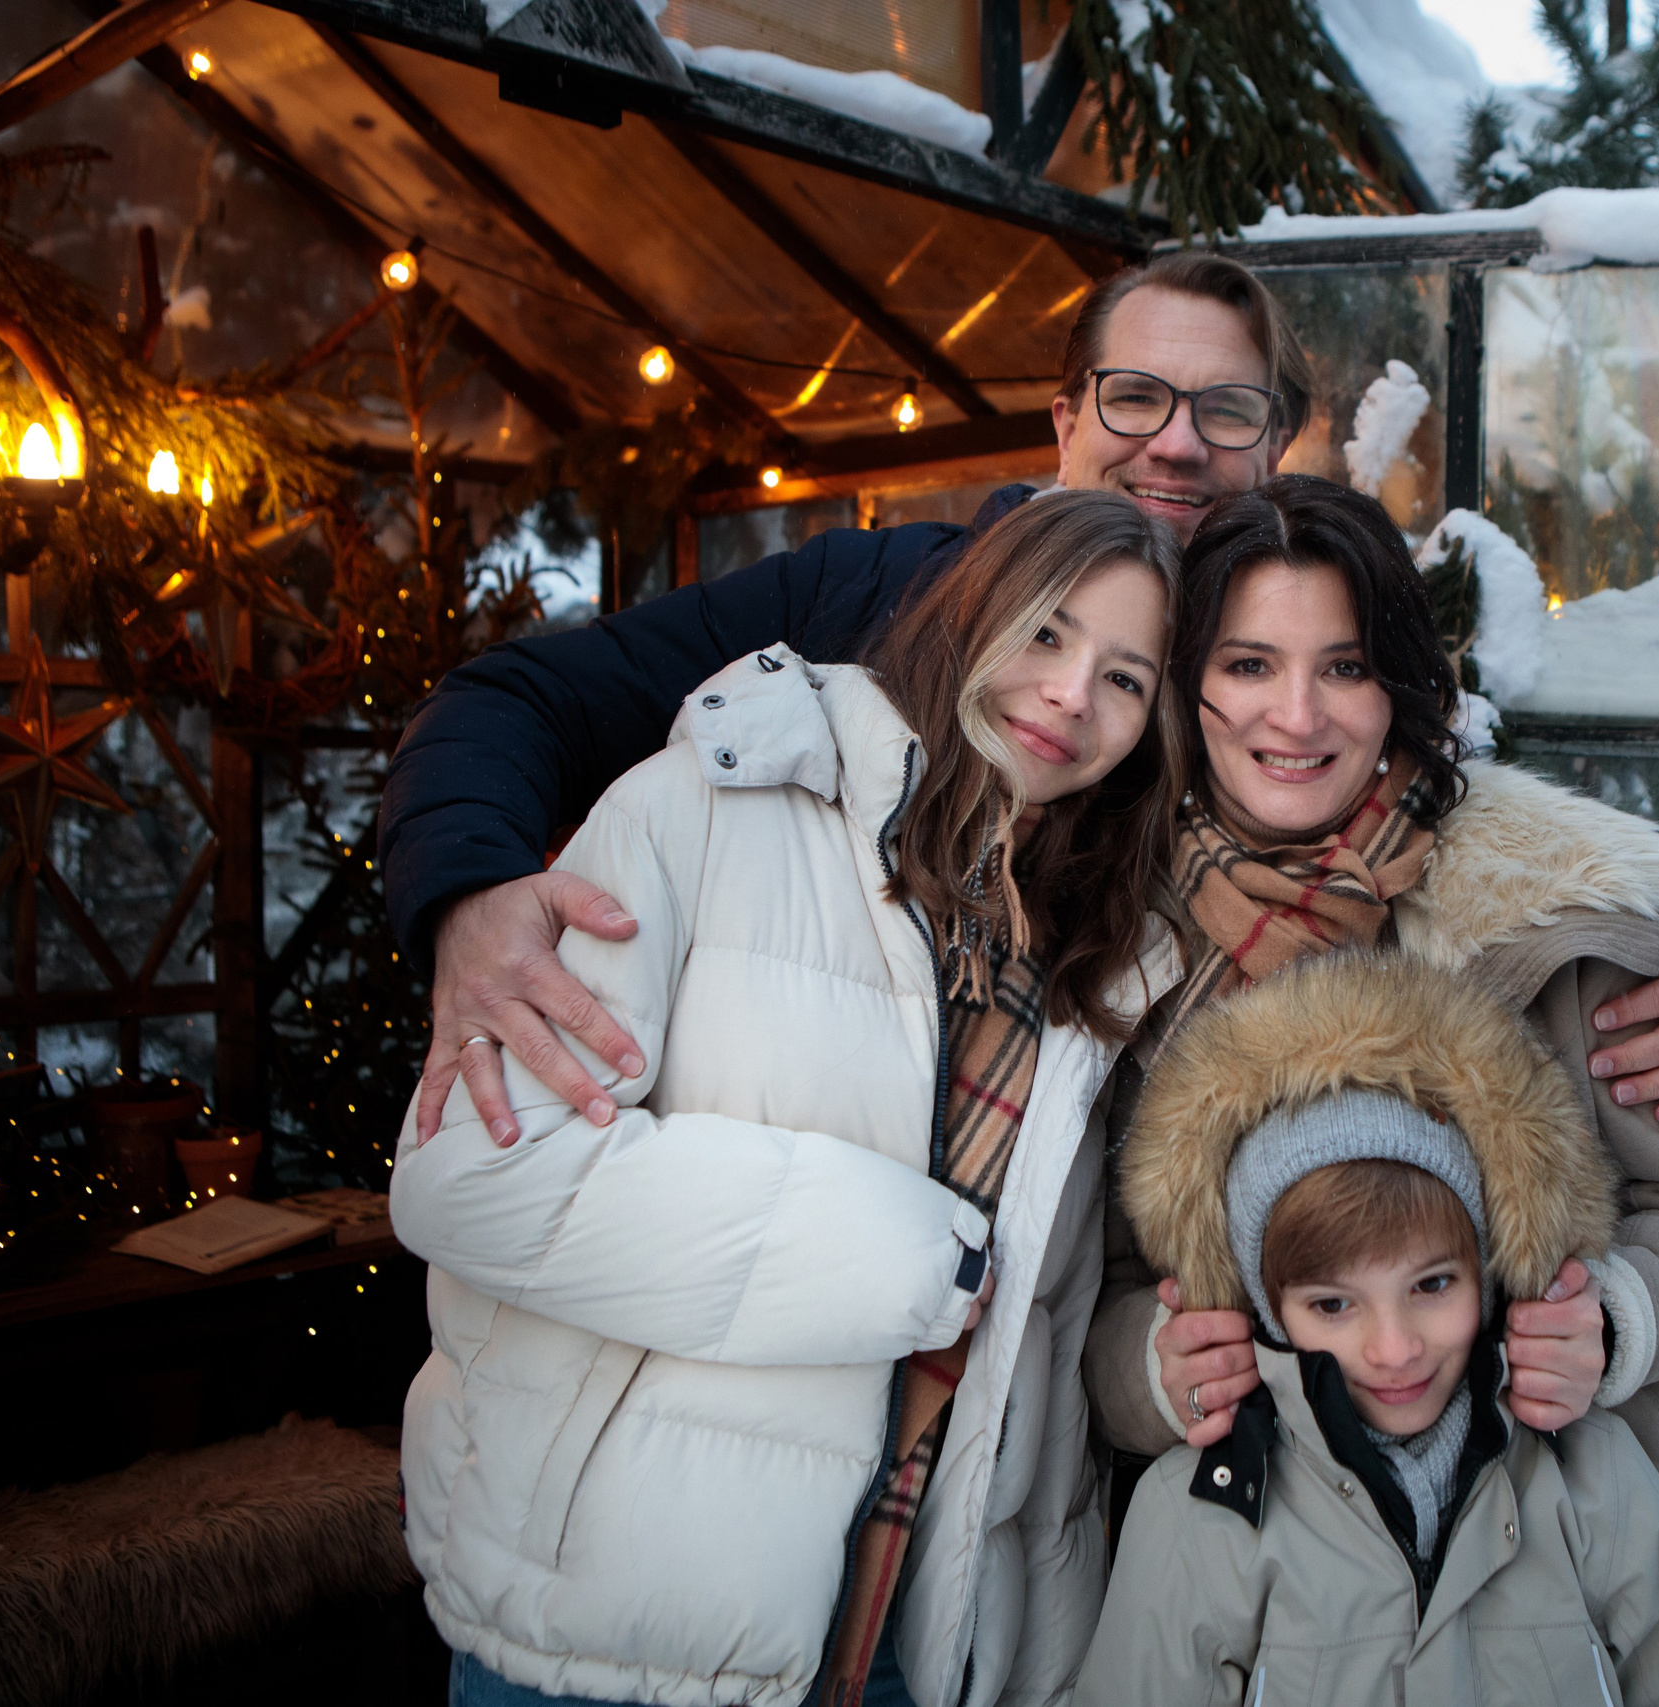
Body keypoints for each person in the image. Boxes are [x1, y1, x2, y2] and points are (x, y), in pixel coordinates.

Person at [380, 252, 1659, 1173]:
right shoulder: (877, 590)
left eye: (1225, 409)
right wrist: (469, 893)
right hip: (780, 1221)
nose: (1176, 441)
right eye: (1135, 395)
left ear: (1273, 444)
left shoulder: (1291, 686)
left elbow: (1458, 853)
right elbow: (523, 695)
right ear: (1064, 418)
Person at [390, 492, 1186, 1707]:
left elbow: (1053, 1338)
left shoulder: (1102, 953)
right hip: (614, 1626)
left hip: (910, 1641)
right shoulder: (704, 804)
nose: (1073, 693)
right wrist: (895, 1253)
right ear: (967, 614)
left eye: (1125, 678)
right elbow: (473, 1178)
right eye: (1044, 631)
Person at [1085, 476, 1659, 1585]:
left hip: (1576, 1561)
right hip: (1260, 1584)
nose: (1297, 716)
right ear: (1188, 682)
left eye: (1345, 667)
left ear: (1401, 683)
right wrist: (1150, 1368)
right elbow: (1096, 1288)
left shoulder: (1544, 905)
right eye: (1249, 664)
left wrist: (1613, 1322)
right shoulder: (1115, 939)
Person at [1078, 952, 1659, 1707]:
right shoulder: (1201, 1516)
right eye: (1333, 1305)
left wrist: (1605, 1320)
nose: (1395, 1348)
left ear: (1488, 1267)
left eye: (1433, 1285)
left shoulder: (1595, 1481)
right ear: (1269, 1306)